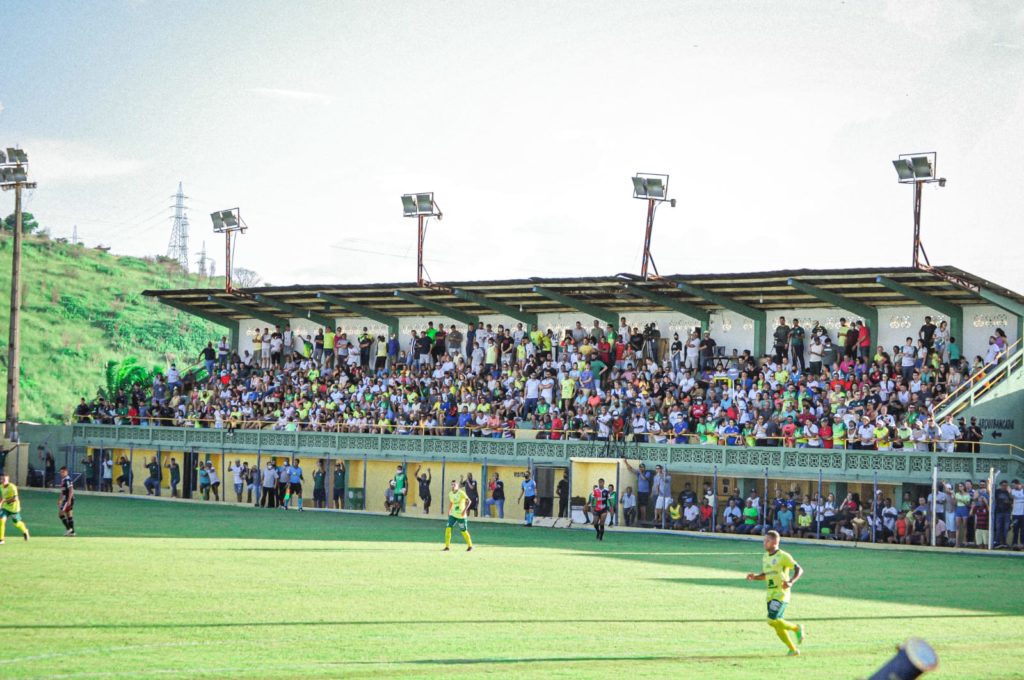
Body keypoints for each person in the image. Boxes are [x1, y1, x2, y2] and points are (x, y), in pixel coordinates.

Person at [746, 530, 805, 656]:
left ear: (774, 542)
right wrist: (755, 577)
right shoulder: (765, 556)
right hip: (770, 594)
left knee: (771, 620)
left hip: (781, 593)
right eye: (764, 540)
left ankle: (796, 628)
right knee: (777, 625)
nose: (764, 543)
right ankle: (792, 649)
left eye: (766, 540)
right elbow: (766, 575)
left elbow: (799, 569)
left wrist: (791, 581)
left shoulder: (783, 556)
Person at [442, 479, 474, 552]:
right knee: (448, 528)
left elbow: (469, 501)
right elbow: (451, 502)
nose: (453, 486)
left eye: (454, 485)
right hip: (453, 515)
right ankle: (447, 547)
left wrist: (464, 511)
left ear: (457, 486)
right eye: (452, 485)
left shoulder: (461, 493)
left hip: (461, 516)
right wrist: (449, 510)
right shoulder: (450, 493)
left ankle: (470, 546)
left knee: (463, 531)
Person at [0, 473, 30, 544]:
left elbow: (15, 498)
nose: (3, 480)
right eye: (2, 479)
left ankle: (25, 531)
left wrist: (4, 501)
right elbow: (2, 497)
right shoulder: (1, 486)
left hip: (14, 508)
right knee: (1, 520)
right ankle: (1, 539)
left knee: (16, 523)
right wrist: (1, 502)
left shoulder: (12, 487)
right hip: (5, 507)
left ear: (8, 479)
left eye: (5, 479)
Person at [622, 459, 653, 524]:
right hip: (639, 491)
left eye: (642, 467)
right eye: (640, 467)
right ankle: (642, 518)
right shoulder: (639, 473)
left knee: (643, 506)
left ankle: (643, 519)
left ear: (644, 468)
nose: (641, 468)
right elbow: (630, 469)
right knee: (640, 505)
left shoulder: (647, 473)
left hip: (645, 492)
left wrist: (640, 472)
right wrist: (626, 462)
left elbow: (644, 478)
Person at [58, 466, 77, 537]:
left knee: (60, 514)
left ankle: (69, 529)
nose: (61, 473)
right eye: (60, 472)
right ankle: (72, 532)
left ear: (66, 472)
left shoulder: (68, 479)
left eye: (63, 472)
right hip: (66, 499)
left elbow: (71, 490)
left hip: (68, 500)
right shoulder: (63, 480)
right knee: (69, 515)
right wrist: (60, 500)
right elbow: (63, 492)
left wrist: (69, 500)